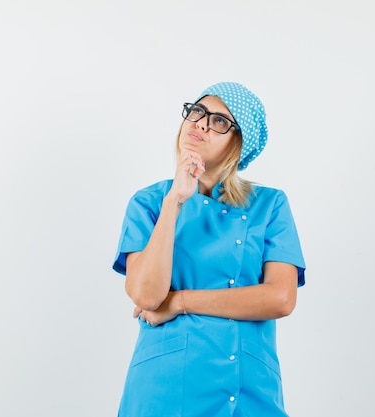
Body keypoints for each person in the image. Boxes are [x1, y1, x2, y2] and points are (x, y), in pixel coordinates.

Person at [112, 81, 306, 417]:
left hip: (247, 389)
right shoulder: (150, 203)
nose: (201, 123)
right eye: (198, 111)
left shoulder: (270, 205)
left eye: (219, 121)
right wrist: (176, 198)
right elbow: (145, 295)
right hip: (165, 389)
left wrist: (180, 301)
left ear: (238, 144)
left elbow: (281, 298)